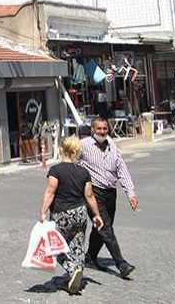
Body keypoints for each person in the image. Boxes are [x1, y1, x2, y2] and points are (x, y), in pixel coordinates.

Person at [39, 136, 104, 294]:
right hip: (80, 213)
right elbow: (89, 196)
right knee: (78, 245)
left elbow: (50, 192)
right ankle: (76, 274)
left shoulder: (56, 170)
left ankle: (72, 269)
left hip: (62, 213)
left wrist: (43, 211)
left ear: (61, 150)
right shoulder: (83, 172)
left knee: (55, 246)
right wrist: (97, 215)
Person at [79, 116, 137, 278]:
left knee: (103, 227)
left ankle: (90, 257)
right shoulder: (83, 146)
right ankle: (121, 264)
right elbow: (71, 163)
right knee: (105, 228)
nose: (102, 132)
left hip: (111, 192)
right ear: (92, 130)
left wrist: (130, 193)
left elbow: (122, 169)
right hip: (93, 193)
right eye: (99, 129)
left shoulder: (112, 144)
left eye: (105, 129)